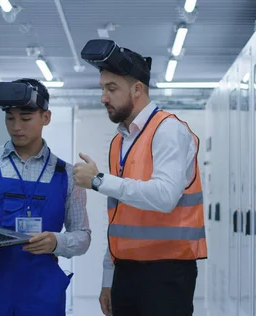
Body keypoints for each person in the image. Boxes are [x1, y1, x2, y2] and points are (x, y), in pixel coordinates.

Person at [74, 41, 208, 316]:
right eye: (102, 89)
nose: (103, 98)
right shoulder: (119, 142)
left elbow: (164, 197)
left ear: (138, 89)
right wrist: (108, 279)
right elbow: (119, 218)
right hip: (126, 271)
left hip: (166, 276)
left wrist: (98, 180)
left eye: (112, 89)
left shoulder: (168, 130)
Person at [0, 78, 92, 316]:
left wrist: (57, 242)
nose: (17, 126)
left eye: (26, 118)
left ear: (45, 118)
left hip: (40, 294)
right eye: (10, 118)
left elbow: (83, 237)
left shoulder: (67, 175)